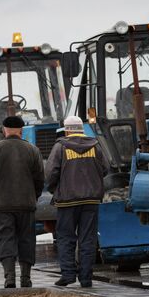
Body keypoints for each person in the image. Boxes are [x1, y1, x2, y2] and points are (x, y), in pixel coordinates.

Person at [0, 116, 44, 288]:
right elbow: (39, 179)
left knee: (5, 239)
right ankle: (26, 278)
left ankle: (9, 278)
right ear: (21, 130)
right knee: (27, 239)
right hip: (26, 204)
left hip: (3, 205)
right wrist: (33, 196)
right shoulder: (33, 150)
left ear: (3, 129)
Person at [46, 116, 107, 287]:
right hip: (91, 200)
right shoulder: (95, 146)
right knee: (88, 238)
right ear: (82, 129)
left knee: (66, 238)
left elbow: (50, 173)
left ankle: (68, 275)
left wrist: (55, 189)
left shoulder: (60, 147)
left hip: (67, 201)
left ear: (66, 130)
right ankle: (86, 278)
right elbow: (105, 168)